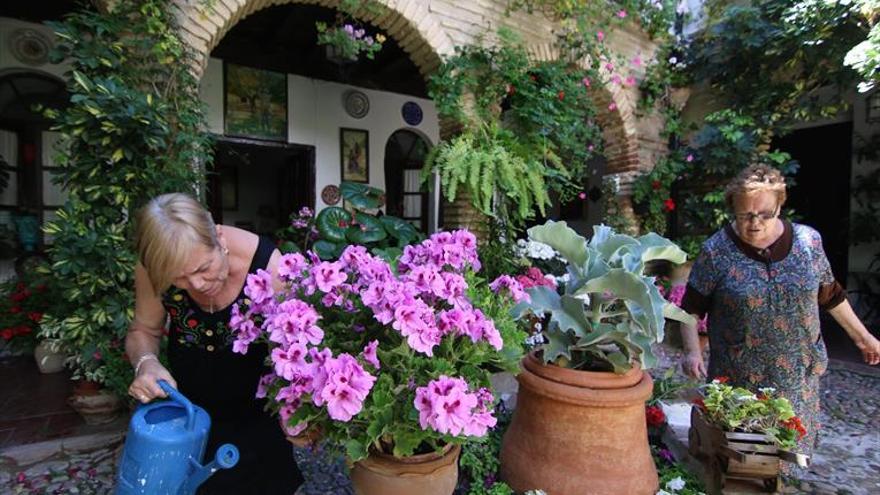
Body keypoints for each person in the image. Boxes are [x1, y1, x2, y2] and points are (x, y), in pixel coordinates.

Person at [679, 164, 880, 461]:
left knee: (788, 454)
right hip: (739, 377)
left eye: (765, 214)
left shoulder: (808, 243)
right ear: (732, 208)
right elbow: (690, 311)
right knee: (742, 460)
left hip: (796, 377)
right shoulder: (716, 251)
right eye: (745, 215)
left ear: (780, 205)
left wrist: (864, 339)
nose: (755, 223)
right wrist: (692, 351)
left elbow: (831, 297)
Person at [125, 193, 303, 494]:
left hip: (259, 413)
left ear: (218, 237)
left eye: (202, 268)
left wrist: (300, 408)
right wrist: (147, 363)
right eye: (178, 279)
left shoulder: (269, 268)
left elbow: (297, 354)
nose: (195, 285)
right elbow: (144, 329)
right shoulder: (155, 266)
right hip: (190, 415)